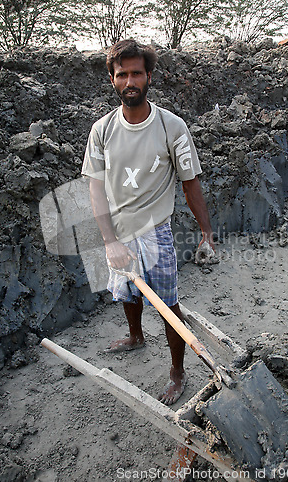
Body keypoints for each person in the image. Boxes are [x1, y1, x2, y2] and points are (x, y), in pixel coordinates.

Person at [81, 39, 215, 405]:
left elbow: (190, 183)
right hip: (117, 231)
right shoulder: (102, 130)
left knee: (168, 304)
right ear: (112, 79)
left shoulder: (172, 127)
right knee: (128, 291)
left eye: (136, 73)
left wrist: (206, 233)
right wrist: (109, 241)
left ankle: (177, 372)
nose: (129, 81)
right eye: (121, 74)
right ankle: (135, 336)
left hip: (155, 235)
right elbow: (95, 190)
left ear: (149, 77)